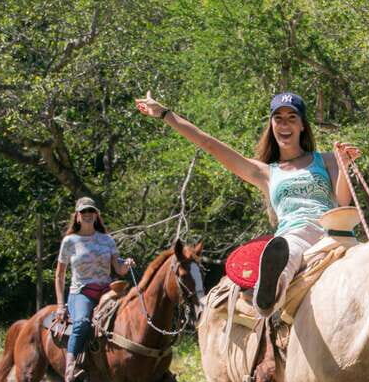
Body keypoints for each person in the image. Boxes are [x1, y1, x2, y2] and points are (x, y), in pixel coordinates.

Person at [135, 90, 355, 316]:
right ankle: (269, 293)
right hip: (295, 235)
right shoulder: (265, 172)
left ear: (302, 125)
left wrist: (344, 164)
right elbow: (207, 143)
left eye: (292, 118)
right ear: (271, 125)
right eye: (278, 118)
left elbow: (342, 202)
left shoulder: (328, 160)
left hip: (333, 231)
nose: (284, 124)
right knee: (286, 254)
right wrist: (165, 114)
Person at [55, 197, 135, 382]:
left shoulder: (107, 240)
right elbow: (59, 275)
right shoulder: (70, 241)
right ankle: (70, 368)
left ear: (96, 215)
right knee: (82, 322)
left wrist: (126, 265)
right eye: (84, 212)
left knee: (130, 316)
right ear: (77, 216)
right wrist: (60, 305)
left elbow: (118, 268)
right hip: (82, 292)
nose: (88, 214)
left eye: (91, 211)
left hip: (108, 291)